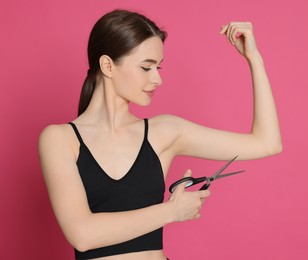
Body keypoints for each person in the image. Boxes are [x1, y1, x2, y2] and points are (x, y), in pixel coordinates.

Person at [38, 9, 282, 260]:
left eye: (159, 67)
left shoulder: (164, 132)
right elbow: (83, 234)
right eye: (146, 67)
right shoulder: (60, 139)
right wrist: (171, 212)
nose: (158, 79)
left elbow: (267, 143)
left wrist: (254, 59)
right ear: (108, 65)